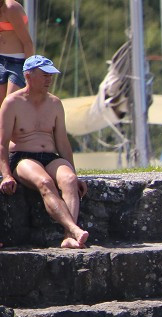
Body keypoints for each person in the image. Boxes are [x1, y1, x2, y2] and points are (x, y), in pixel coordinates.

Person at [0, 54, 89, 249]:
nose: (49, 79)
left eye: (51, 75)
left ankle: (69, 237)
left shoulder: (55, 103)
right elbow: (2, 144)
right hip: (23, 157)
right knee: (45, 182)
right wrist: (6, 175)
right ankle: (74, 229)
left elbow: (63, 143)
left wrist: (73, 172)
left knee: (69, 181)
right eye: (45, 75)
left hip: (49, 156)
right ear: (28, 75)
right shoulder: (12, 103)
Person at [0, 0, 33, 107]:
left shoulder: (11, 8)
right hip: (0, 60)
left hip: (17, 62)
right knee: (1, 107)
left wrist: (30, 73)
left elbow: (27, 43)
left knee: (11, 104)